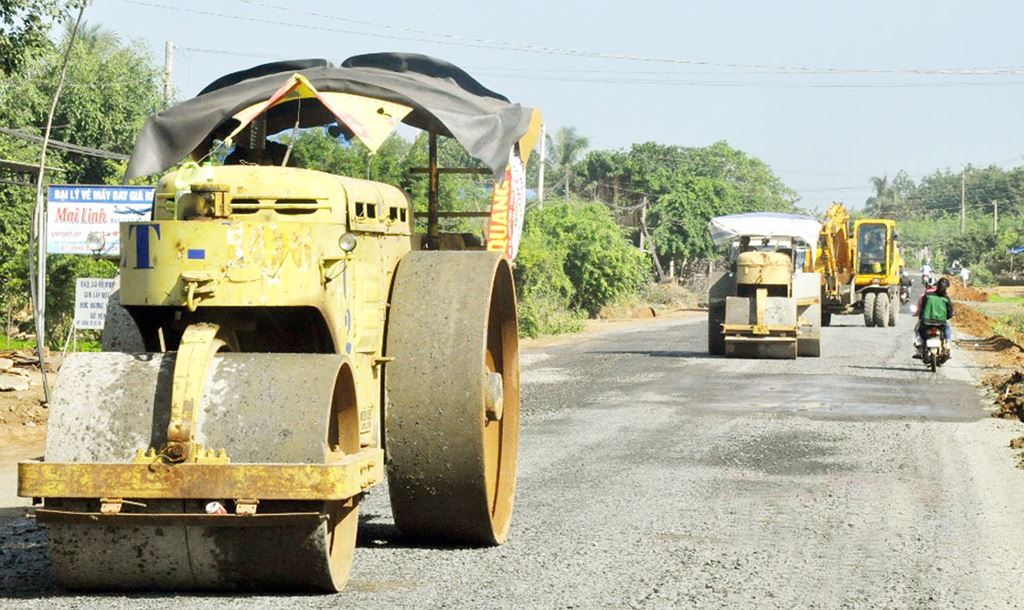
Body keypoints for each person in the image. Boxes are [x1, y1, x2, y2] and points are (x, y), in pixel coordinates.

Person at [914, 277, 953, 358]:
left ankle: (920, 347)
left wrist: (921, 317)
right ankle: (948, 343)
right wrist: (947, 317)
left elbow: (922, 307)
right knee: (947, 328)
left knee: (919, 330)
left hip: (926, 322)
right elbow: (949, 313)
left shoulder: (927, 295)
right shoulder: (946, 298)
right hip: (941, 323)